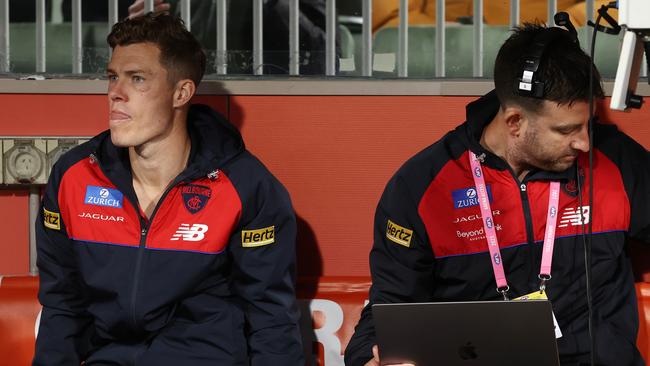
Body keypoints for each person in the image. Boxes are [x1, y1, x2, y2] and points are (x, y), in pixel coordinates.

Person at [344, 22, 650, 366]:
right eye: (566, 130)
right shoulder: (422, 186)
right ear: (515, 122)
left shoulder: (619, 162)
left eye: (588, 124)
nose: (584, 143)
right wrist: (367, 359)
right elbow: (390, 312)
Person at [33, 13, 303, 366]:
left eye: (137, 79)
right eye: (113, 77)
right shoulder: (74, 177)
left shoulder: (246, 186)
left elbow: (271, 320)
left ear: (181, 92)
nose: (116, 93)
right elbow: (62, 307)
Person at [128, 0, 337, 75]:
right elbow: (168, 61)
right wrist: (141, 30)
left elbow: (328, 55)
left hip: (276, 98)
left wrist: (271, 3)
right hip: (200, 99)